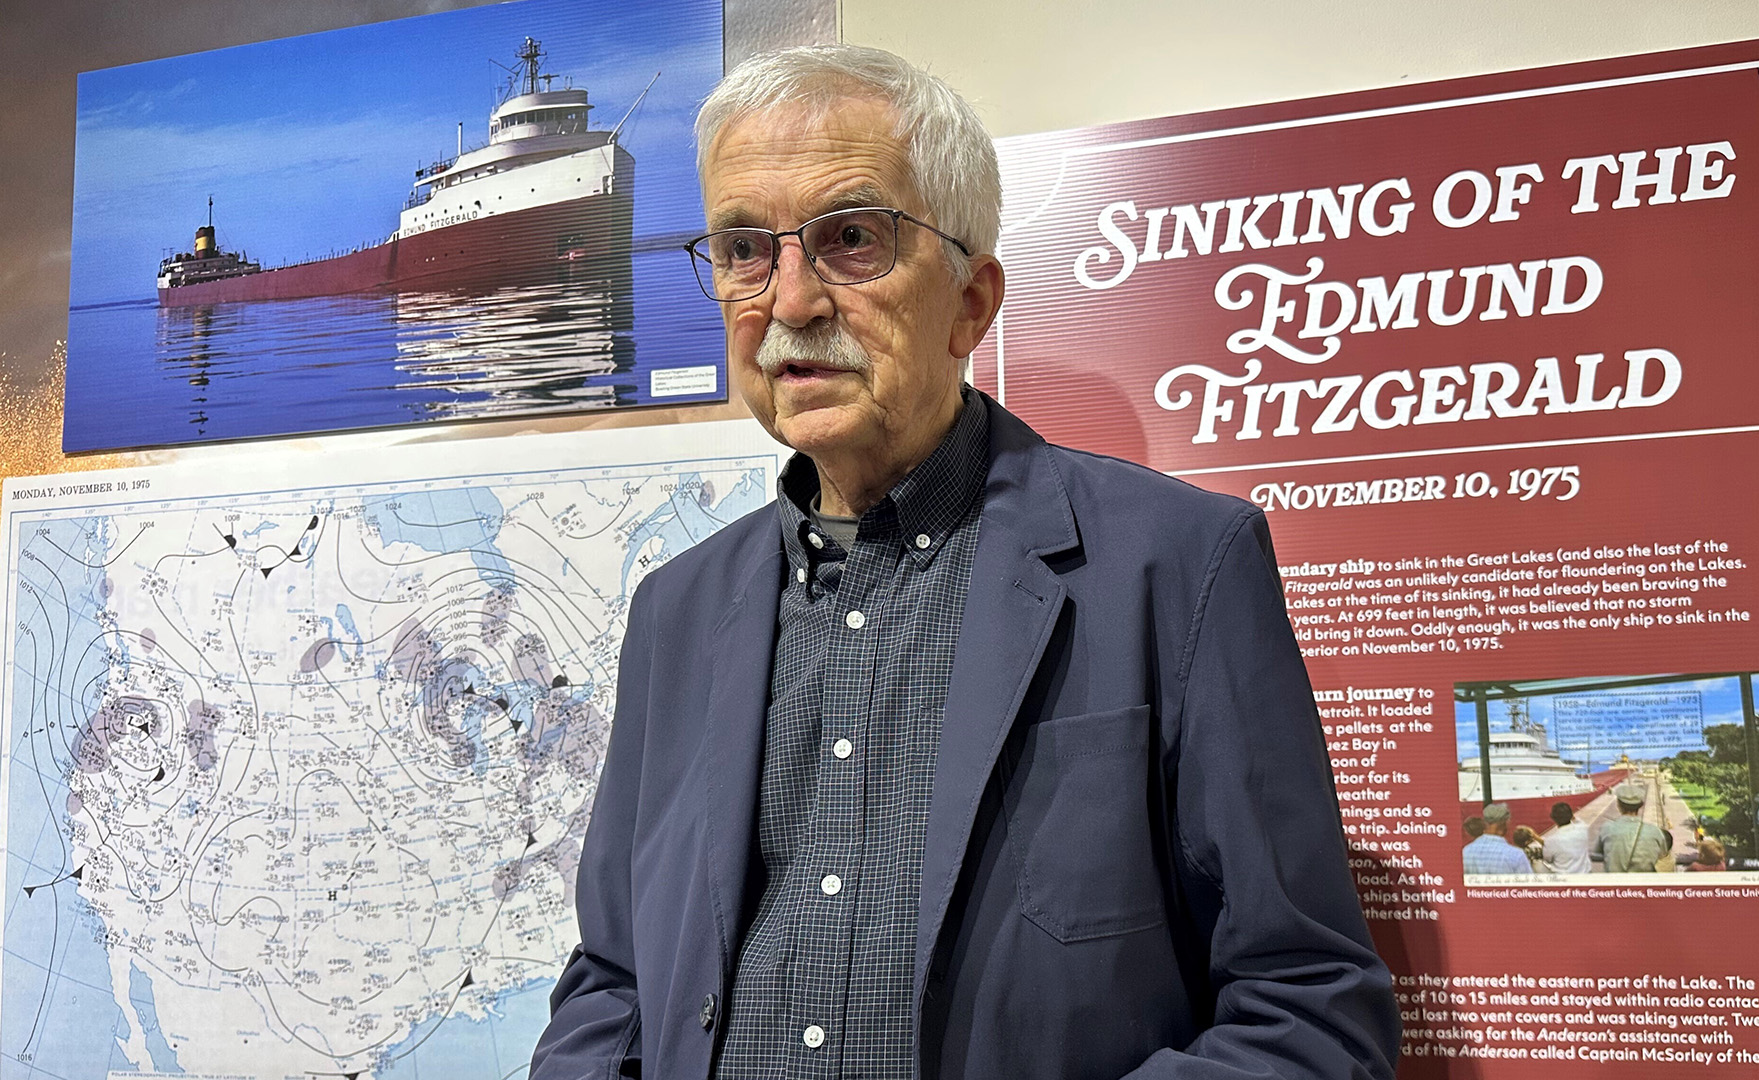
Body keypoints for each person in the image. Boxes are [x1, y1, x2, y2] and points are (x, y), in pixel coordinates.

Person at [530, 44, 1398, 1080]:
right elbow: (617, 981)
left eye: (851, 239)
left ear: (972, 301)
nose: (790, 301)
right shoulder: (677, 610)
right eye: (745, 248)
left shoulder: (1178, 568)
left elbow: (1309, 1010)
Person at [1598, 785, 1672, 872]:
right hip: (1644, 883)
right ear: (1640, 805)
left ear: (1618, 805)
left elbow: (1598, 851)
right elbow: (1663, 855)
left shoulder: (1607, 828)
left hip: (1615, 883)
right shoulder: (1655, 831)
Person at [1461, 802, 1533, 875]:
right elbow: (1529, 884)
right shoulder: (1516, 855)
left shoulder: (1466, 851)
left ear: (1485, 822)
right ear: (1505, 824)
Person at [1540, 800, 1593, 874]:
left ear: (1553, 819)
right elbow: (1578, 821)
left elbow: (1547, 859)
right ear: (1571, 815)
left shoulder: (1551, 841)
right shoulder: (1583, 828)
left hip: (1564, 878)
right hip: (1585, 874)